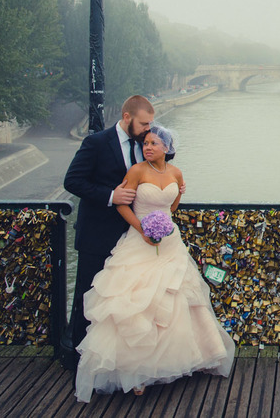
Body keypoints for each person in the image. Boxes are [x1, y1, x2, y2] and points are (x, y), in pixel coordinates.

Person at [75, 125, 234, 401]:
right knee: (138, 302)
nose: (147, 147)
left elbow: (172, 208)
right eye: (146, 143)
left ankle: (176, 360)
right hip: (139, 241)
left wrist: (178, 196)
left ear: (167, 148)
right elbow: (123, 204)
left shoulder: (175, 173)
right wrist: (143, 229)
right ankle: (136, 372)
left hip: (170, 243)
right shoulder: (137, 171)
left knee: (175, 300)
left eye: (153, 143)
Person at [63, 94, 157, 366]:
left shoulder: (147, 144)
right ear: (127, 117)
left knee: (126, 301)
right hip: (97, 236)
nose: (147, 130)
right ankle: (78, 362)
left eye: (150, 124)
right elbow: (72, 181)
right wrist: (110, 195)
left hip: (132, 237)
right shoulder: (96, 143)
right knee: (88, 298)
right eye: (143, 124)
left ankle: (117, 363)